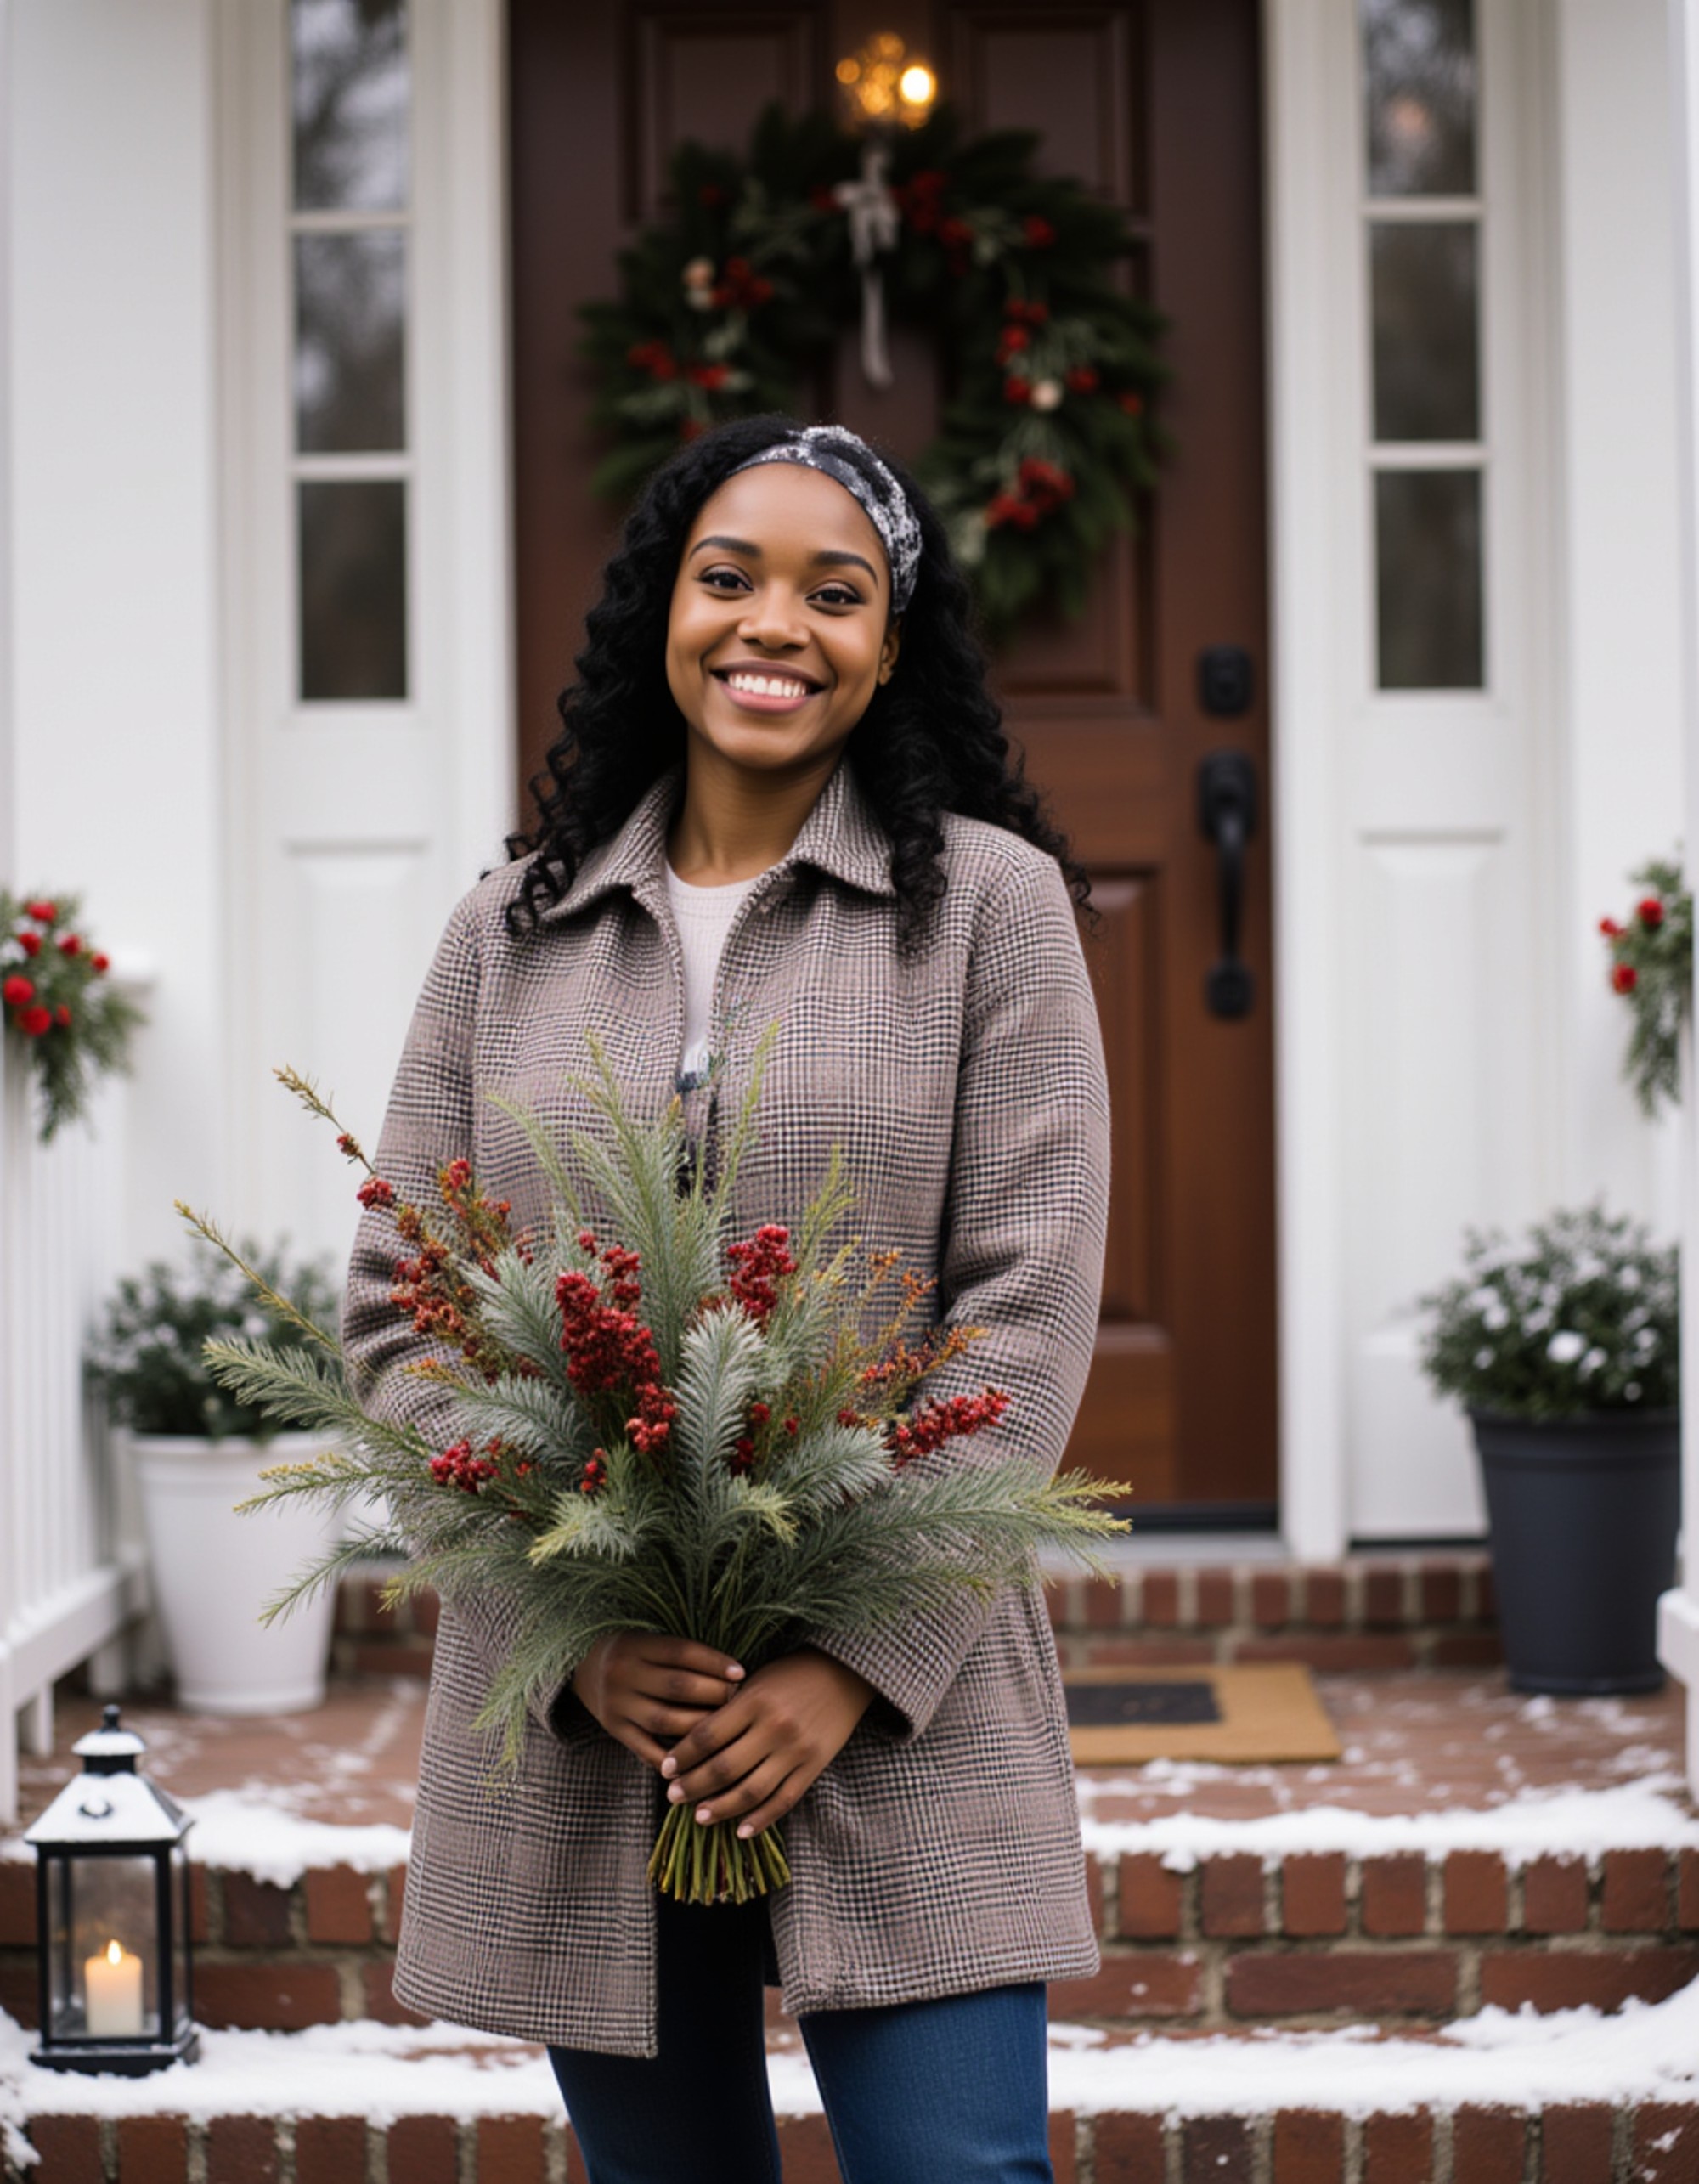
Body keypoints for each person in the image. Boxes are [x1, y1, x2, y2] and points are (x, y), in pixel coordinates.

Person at [341, 415, 1111, 2184]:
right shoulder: (503, 931)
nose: (776, 624)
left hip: (903, 1698)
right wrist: (579, 1635)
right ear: (660, 613)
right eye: (729, 577)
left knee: (958, 2172)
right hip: (602, 1715)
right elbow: (403, 1318)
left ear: (890, 646)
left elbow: (1025, 1306)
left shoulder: (990, 909)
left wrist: (846, 1662)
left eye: (834, 593)